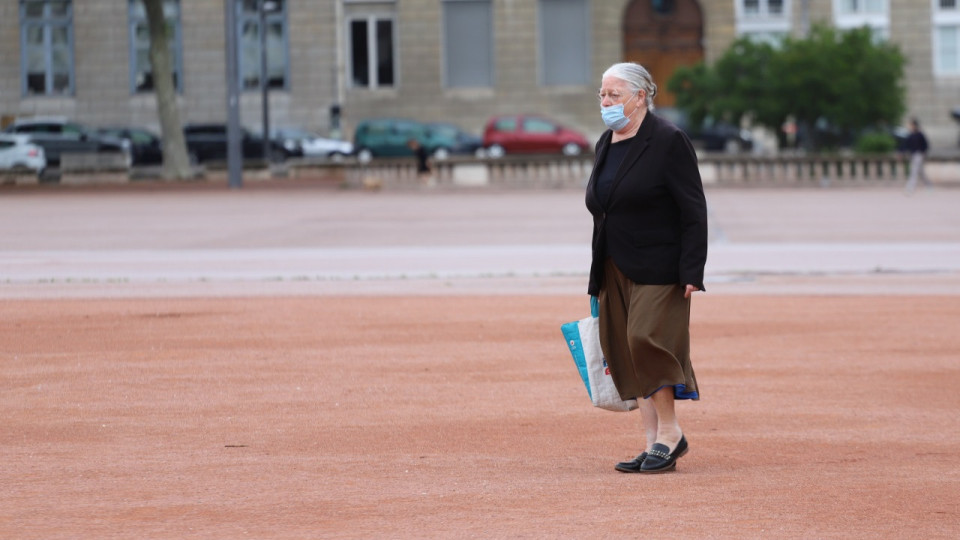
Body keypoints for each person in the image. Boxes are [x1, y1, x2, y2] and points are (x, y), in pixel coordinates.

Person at [584, 62, 708, 474]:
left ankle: (672, 433)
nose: (605, 102)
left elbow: (693, 209)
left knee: (645, 339)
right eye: (602, 95)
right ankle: (653, 442)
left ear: (640, 97)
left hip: (661, 264)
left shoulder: (668, 140)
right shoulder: (606, 142)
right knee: (623, 348)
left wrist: (692, 269)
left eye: (613, 95)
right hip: (612, 263)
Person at [903, 118, 932, 193]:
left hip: (919, 155)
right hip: (912, 155)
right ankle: (929, 185)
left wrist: (923, 153)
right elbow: (905, 145)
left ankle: (910, 188)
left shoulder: (920, 134)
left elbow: (925, 145)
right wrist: (901, 151)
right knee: (921, 172)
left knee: (914, 171)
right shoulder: (910, 135)